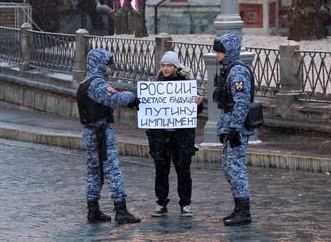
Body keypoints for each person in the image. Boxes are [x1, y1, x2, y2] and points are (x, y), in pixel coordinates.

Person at [77, 48, 141, 224]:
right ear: (100, 64)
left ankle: (93, 209)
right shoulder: (97, 84)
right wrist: (133, 97)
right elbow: (115, 99)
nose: (109, 69)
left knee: (94, 173)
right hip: (101, 134)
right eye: (107, 65)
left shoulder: (86, 82)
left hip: (90, 133)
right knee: (112, 171)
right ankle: (121, 210)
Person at [146, 51, 203, 218]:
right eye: (163, 65)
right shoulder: (155, 85)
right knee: (161, 171)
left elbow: (196, 110)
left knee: (183, 171)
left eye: (169, 65)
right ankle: (161, 203)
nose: (165, 68)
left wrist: (197, 103)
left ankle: (185, 204)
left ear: (176, 66)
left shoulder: (186, 83)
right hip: (161, 137)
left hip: (181, 137)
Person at [213, 33, 253, 226]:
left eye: (220, 51)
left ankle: (244, 211)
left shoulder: (237, 72)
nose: (216, 55)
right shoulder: (229, 70)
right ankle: (239, 207)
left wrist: (235, 129)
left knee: (235, 168)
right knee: (229, 167)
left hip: (237, 126)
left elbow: (242, 102)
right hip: (231, 124)